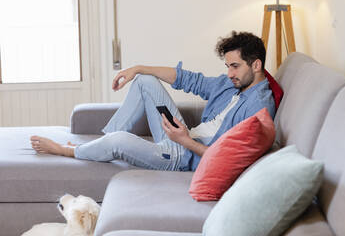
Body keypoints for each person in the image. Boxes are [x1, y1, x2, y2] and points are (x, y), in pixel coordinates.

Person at [30, 31, 276, 172]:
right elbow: (188, 79)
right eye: (227, 66)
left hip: (184, 155)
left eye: (235, 66)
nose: (229, 73)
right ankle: (102, 145)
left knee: (120, 141)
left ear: (256, 65)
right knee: (145, 81)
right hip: (183, 136)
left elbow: (228, 158)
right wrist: (138, 68)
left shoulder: (259, 107)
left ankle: (68, 151)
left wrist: (186, 142)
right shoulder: (232, 83)